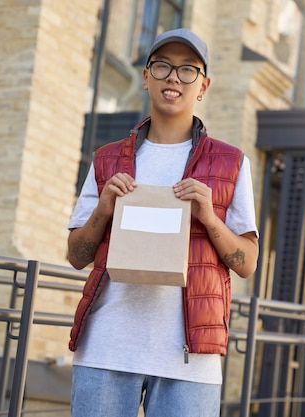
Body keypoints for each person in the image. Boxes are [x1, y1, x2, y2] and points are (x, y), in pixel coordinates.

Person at [66, 28, 259, 417]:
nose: (174, 77)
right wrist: (104, 208)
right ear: (145, 77)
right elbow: (75, 256)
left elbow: (247, 264)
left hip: (189, 359)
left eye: (188, 69)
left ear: (203, 85)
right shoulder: (105, 159)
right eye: (162, 66)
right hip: (106, 347)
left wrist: (209, 217)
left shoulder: (231, 164)